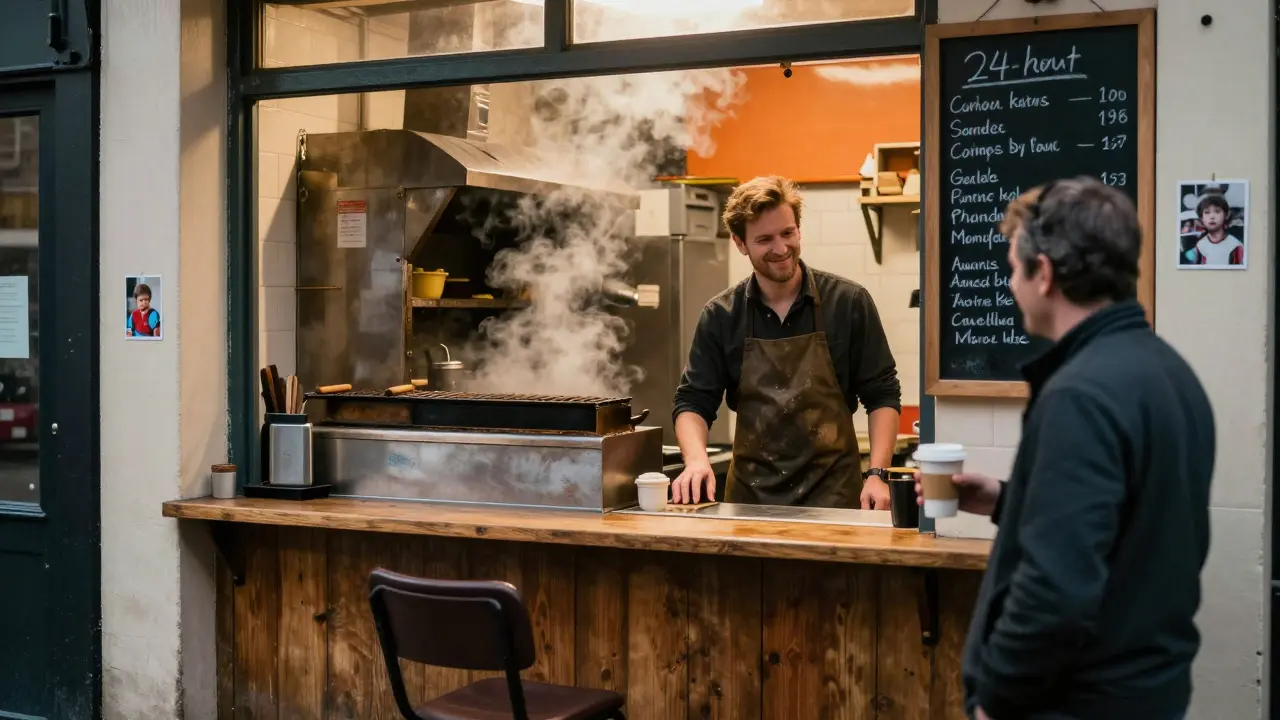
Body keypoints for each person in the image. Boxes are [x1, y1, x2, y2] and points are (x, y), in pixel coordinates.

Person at [919, 177, 1213, 720]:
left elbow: (1055, 591)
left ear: (1045, 274)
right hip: (1151, 694)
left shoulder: (1079, 395)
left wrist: (996, 701)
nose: (1011, 285)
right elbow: (1132, 526)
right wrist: (1009, 500)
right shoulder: (1171, 373)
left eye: (1014, 268)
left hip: (1075, 703)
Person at [671, 175, 901, 509]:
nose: (780, 249)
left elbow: (882, 394)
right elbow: (693, 402)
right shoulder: (721, 315)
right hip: (749, 504)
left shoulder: (848, 302)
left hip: (835, 498)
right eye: (764, 239)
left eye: (787, 233)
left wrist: (878, 474)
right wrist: (695, 460)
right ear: (739, 242)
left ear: (798, 229)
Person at [1183, 190, 1244, 266]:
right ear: (1201, 218)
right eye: (1207, 212)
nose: (1212, 217)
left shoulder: (1235, 246)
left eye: (1217, 212)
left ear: (1226, 215)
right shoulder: (1201, 245)